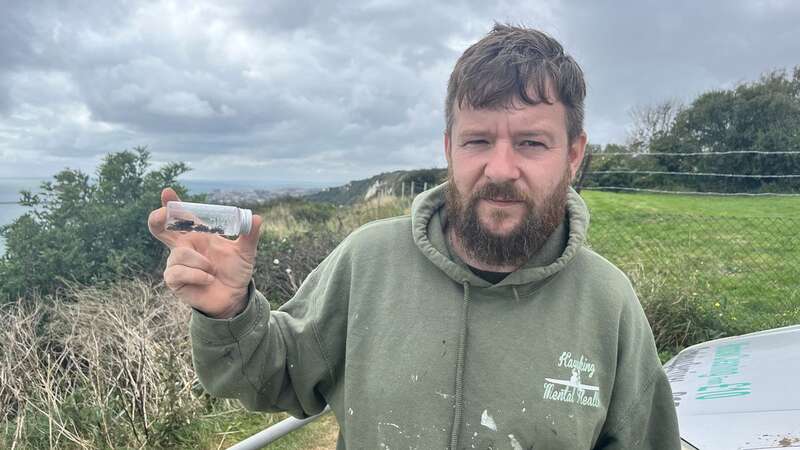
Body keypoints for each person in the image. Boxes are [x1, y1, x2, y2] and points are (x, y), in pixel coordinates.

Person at [148, 23, 680, 449]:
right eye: (477, 140)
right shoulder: (368, 261)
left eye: (532, 143)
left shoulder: (609, 304)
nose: (500, 168)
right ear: (448, 146)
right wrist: (231, 313)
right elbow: (274, 376)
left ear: (574, 153)